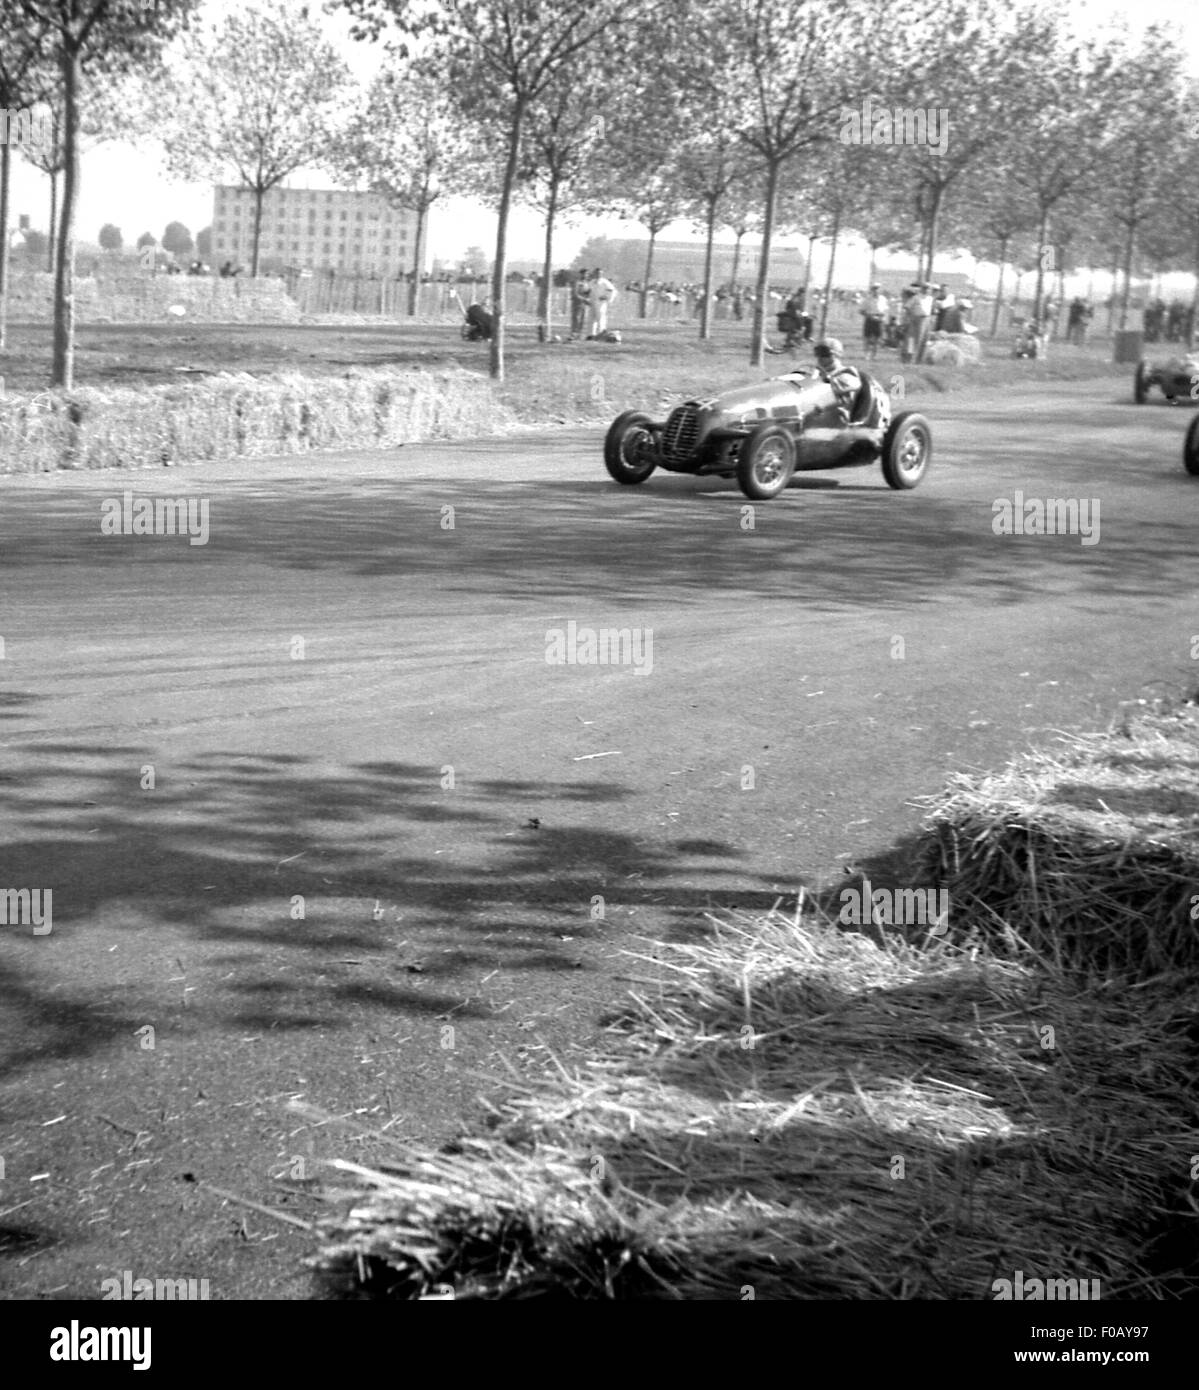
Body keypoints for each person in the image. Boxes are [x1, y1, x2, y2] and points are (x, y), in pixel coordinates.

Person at [813, 338, 862, 425]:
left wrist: (828, 381)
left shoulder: (846, 373)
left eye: (825, 354)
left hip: (837, 419)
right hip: (812, 413)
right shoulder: (814, 373)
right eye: (818, 353)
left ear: (836, 355)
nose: (820, 357)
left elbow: (852, 386)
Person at [861, 283, 888, 360]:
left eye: (878, 288)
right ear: (872, 290)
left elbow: (886, 310)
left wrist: (883, 318)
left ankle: (874, 355)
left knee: (877, 338)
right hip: (870, 319)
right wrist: (870, 316)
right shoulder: (867, 299)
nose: (876, 290)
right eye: (874, 288)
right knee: (867, 337)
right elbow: (862, 311)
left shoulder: (883, 299)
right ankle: (866, 354)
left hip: (879, 319)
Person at [587, 268, 617, 337]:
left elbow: (612, 290)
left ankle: (601, 333)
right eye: (597, 273)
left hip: (600, 302)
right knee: (591, 318)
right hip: (592, 301)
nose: (598, 275)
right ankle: (591, 334)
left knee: (600, 318)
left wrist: (606, 297)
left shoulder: (605, 282)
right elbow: (588, 290)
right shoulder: (592, 282)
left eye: (599, 273)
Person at [570, 269, 590, 338]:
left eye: (586, 274)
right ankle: (574, 333)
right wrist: (584, 299)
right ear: (580, 274)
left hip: (584, 303)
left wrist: (588, 298)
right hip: (577, 303)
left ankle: (579, 334)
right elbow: (575, 294)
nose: (585, 275)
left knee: (582, 318)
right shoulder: (577, 282)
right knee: (576, 318)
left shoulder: (587, 283)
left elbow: (587, 293)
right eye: (584, 274)